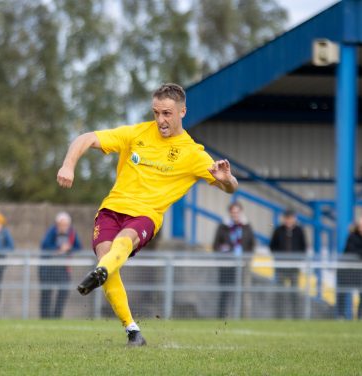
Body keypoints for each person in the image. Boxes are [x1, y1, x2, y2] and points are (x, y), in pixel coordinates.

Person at [57, 83, 238, 346]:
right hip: (111, 209)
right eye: (156, 113)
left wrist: (227, 178)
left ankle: (100, 272)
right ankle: (133, 331)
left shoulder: (193, 154)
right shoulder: (137, 133)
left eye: (167, 113)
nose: (160, 120)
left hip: (145, 216)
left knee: (119, 247)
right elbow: (86, 138)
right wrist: (68, 165)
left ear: (182, 111)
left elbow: (230, 188)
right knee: (109, 262)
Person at [213, 202, 255, 319]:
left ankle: (243, 317)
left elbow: (251, 245)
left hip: (242, 265)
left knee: (243, 292)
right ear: (230, 213)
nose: (235, 214)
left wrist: (246, 259)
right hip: (227, 265)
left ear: (241, 212)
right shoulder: (223, 227)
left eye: (237, 212)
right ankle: (222, 318)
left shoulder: (246, 226)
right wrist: (224, 252)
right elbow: (216, 245)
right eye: (233, 212)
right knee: (225, 292)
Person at [38, 212, 82, 318]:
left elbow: (78, 247)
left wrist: (68, 248)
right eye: (61, 224)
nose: (64, 227)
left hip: (63, 268)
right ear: (57, 224)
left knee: (64, 290)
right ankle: (45, 317)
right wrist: (58, 249)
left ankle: (57, 316)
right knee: (46, 293)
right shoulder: (51, 231)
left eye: (66, 225)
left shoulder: (72, 233)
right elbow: (44, 246)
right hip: (48, 268)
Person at [269, 209, 307, 318]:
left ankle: (296, 317)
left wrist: (297, 260)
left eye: (291, 218)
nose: (289, 220)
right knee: (280, 293)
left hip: (294, 268)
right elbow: (272, 246)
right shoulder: (278, 230)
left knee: (294, 293)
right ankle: (279, 317)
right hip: (281, 267)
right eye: (287, 218)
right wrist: (279, 258)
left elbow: (303, 247)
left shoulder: (299, 231)